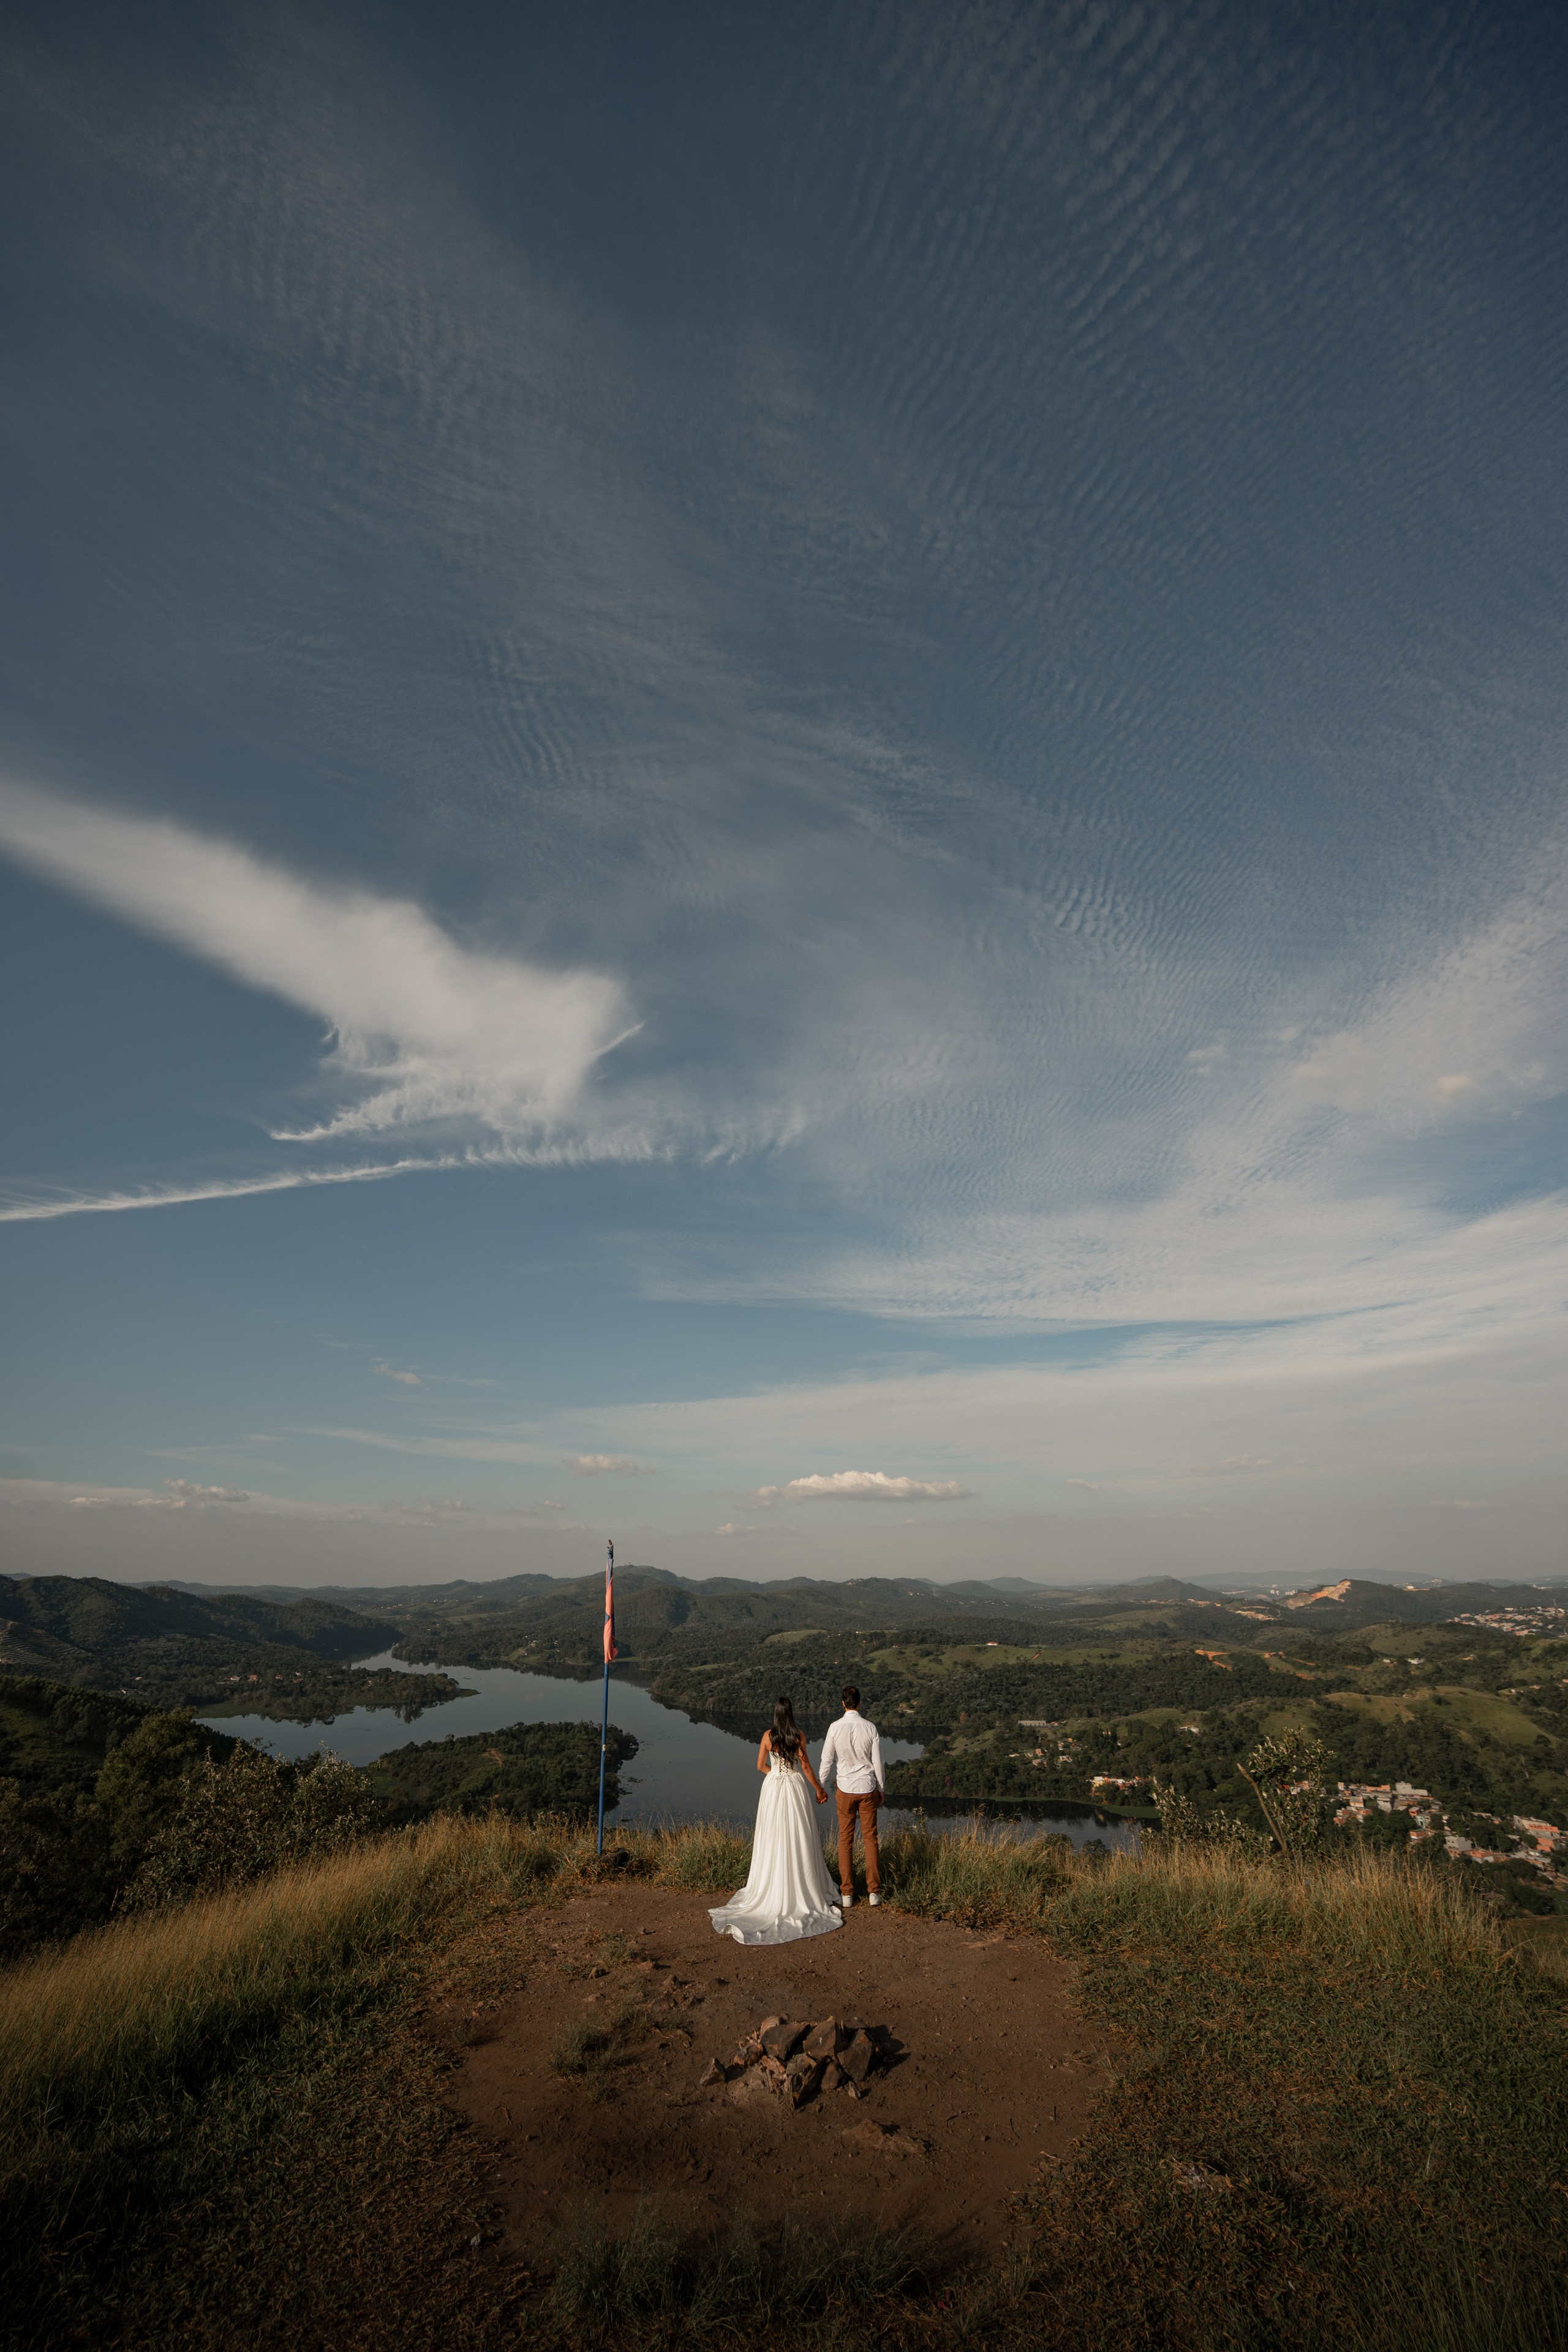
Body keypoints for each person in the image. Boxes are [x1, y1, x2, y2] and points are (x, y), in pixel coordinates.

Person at [708, 1695, 843, 1945]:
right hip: (794, 1788)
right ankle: (802, 1883)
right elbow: (805, 1768)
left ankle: (771, 1884)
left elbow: (760, 1766)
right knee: (799, 1834)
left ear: (775, 1714)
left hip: (772, 1789)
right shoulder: (798, 1736)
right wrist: (819, 1790)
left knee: (773, 1835)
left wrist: (776, 1776)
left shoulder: (768, 1736)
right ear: (791, 1713)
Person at [818, 1684, 883, 1908]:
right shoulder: (870, 1728)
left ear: (843, 1704)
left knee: (845, 1840)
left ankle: (847, 1893)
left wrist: (821, 1786)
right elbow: (877, 1762)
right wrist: (881, 1788)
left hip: (845, 1789)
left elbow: (827, 1760)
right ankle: (873, 1892)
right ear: (860, 1703)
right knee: (870, 1840)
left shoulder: (835, 1727)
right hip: (867, 1788)